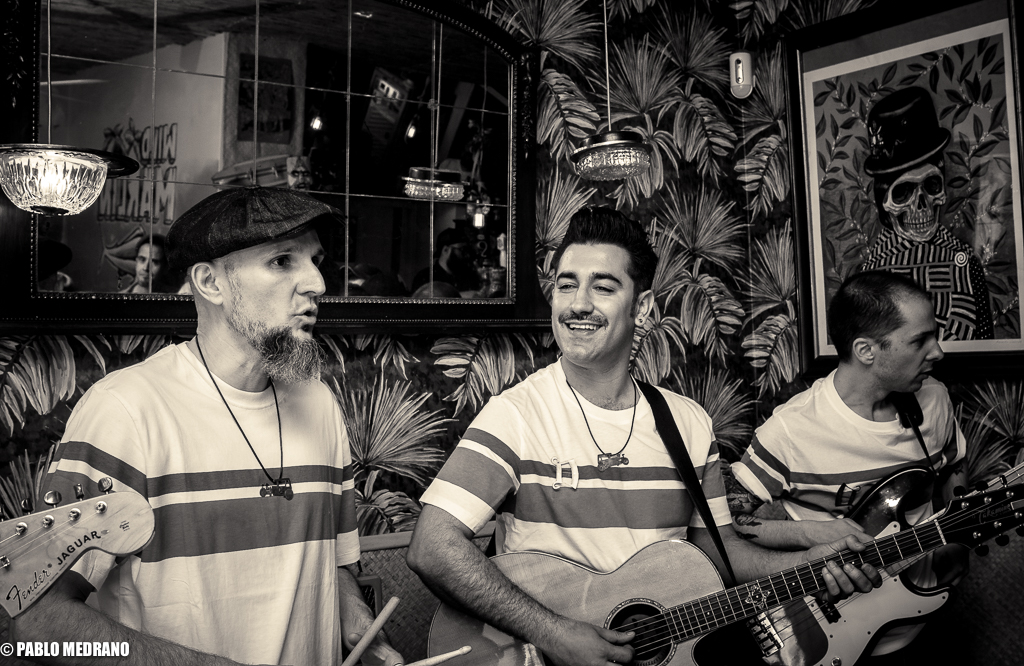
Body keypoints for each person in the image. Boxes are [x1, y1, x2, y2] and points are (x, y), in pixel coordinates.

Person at [407, 207, 881, 666]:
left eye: (603, 287)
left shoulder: (687, 423)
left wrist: (810, 562)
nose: (578, 304)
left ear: (643, 307)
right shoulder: (516, 414)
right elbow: (431, 546)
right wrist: (553, 633)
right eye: (566, 284)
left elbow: (720, 556)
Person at [15, 187, 404, 666]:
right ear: (210, 282)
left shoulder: (319, 402)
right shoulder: (125, 411)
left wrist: (362, 631)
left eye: (315, 260)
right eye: (282, 261)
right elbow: (38, 622)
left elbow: (334, 565)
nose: (318, 284)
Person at [729, 270, 969, 662]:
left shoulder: (934, 400)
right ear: (866, 350)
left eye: (935, 335)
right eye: (919, 340)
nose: (937, 352)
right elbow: (729, 524)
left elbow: (954, 464)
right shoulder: (791, 429)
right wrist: (810, 533)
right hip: (833, 632)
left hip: (923, 616)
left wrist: (958, 531)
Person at [858, 86, 993, 340]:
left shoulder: (965, 262)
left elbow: (984, 344)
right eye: (903, 192)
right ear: (885, 201)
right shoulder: (869, 276)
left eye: (931, 185)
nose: (921, 205)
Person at [410, 227, 480, 296]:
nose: (467, 255)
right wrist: (460, 296)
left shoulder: (469, 276)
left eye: (467, 250)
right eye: (462, 250)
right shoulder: (425, 277)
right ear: (445, 250)